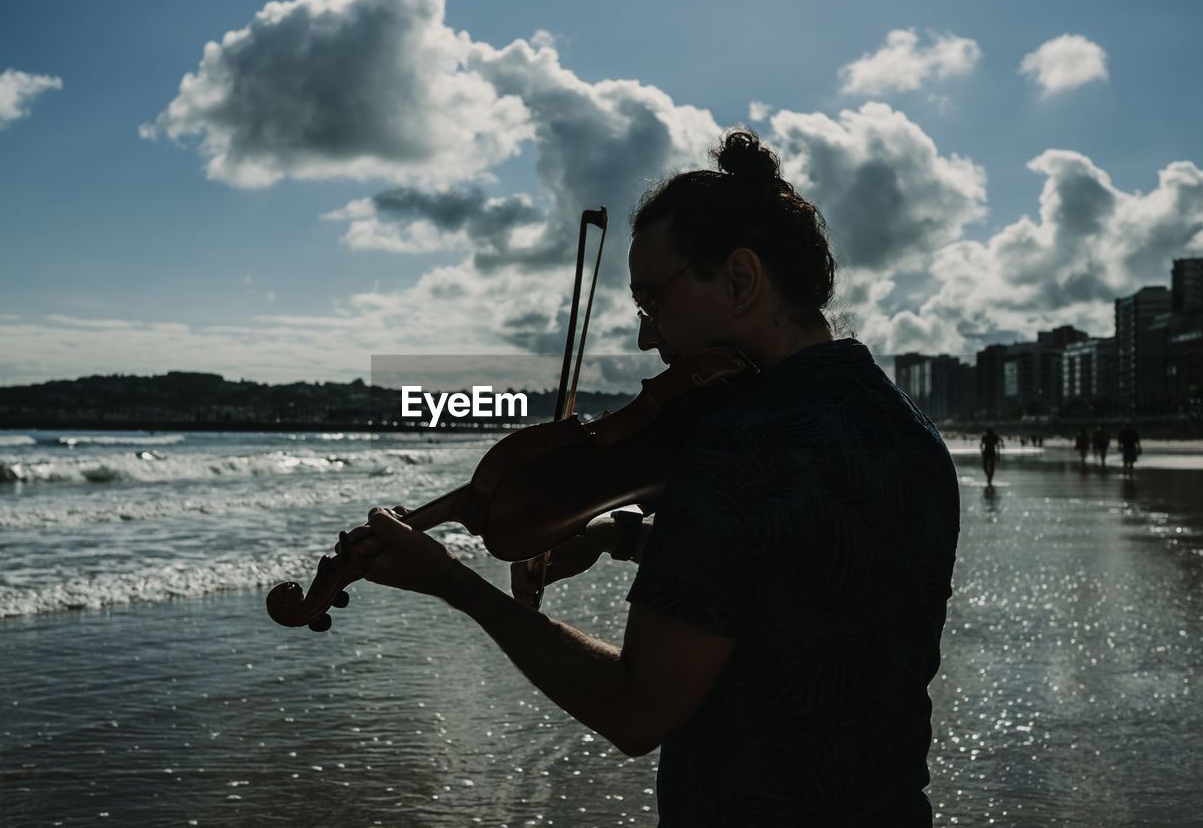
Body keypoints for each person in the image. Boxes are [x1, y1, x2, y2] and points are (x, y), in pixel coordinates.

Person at [336, 130, 960, 825]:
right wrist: (620, 533)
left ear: (741, 279)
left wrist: (454, 583)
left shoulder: (735, 446)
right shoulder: (911, 433)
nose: (646, 338)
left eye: (652, 302)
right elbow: (802, 578)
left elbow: (635, 708)